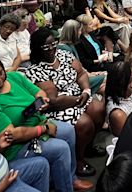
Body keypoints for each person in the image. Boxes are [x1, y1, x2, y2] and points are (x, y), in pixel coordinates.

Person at [0, 55, 93, 192]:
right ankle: (65, 188)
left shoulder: (14, 77)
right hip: (17, 146)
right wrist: (43, 129)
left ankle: (70, 178)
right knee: (60, 148)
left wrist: (42, 101)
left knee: (67, 130)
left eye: (0, 73)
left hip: (37, 121)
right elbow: (12, 136)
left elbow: (39, 92)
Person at [27, 28, 106, 177]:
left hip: (79, 94)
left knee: (99, 109)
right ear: (37, 48)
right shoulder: (35, 69)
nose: (51, 49)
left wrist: (86, 91)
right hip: (57, 107)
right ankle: (78, 160)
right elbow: (53, 100)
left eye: (53, 44)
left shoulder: (63, 55)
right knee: (85, 123)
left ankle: (87, 146)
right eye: (46, 46)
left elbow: (81, 73)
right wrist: (78, 99)